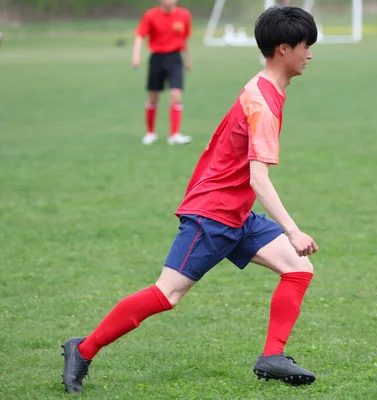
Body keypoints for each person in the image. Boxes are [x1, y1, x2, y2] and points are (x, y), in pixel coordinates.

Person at [61, 6, 319, 394]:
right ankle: (82, 348)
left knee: (299, 269)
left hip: (236, 213)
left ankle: (272, 356)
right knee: (167, 294)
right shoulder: (262, 103)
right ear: (283, 48)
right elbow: (259, 178)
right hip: (213, 214)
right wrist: (293, 230)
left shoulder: (264, 89)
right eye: (305, 46)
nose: (310, 55)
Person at [132, 0, 192, 145]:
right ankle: (150, 133)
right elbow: (140, 35)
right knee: (153, 96)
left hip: (175, 58)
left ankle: (174, 134)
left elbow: (184, 39)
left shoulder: (184, 15)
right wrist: (136, 55)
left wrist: (188, 59)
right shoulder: (151, 15)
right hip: (157, 58)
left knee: (176, 94)